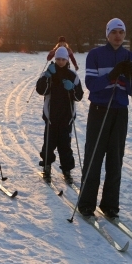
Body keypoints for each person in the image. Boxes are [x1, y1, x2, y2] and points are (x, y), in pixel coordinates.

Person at [77, 18, 132, 218]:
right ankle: (87, 202)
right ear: (107, 34)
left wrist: (128, 76)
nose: (118, 36)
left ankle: (110, 204)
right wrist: (113, 75)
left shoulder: (131, 57)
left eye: (121, 32)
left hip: (119, 112)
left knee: (115, 158)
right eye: (114, 32)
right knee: (94, 156)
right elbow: (92, 84)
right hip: (99, 110)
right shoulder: (95, 55)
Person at [36, 46, 84, 183]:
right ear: (55, 59)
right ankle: (47, 166)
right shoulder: (49, 73)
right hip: (51, 116)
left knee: (65, 145)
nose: (60, 62)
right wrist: (47, 76)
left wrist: (72, 88)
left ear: (67, 60)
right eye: (58, 59)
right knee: (49, 143)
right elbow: (41, 90)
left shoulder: (72, 75)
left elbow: (79, 96)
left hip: (66, 117)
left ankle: (67, 169)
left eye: (63, 59)